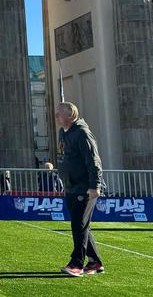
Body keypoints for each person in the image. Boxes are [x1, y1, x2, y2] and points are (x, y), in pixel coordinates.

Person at [55, 102, 104, 277]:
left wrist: (94, 186)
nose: (56, 117)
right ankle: (95, 261)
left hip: (84, 187)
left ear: (71, 115)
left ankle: (77, 263)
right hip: (71, 186)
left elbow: (93, 161)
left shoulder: (82, 133)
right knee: (82, 225)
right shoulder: (63, 132)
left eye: (59, 114)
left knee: (79, 225)